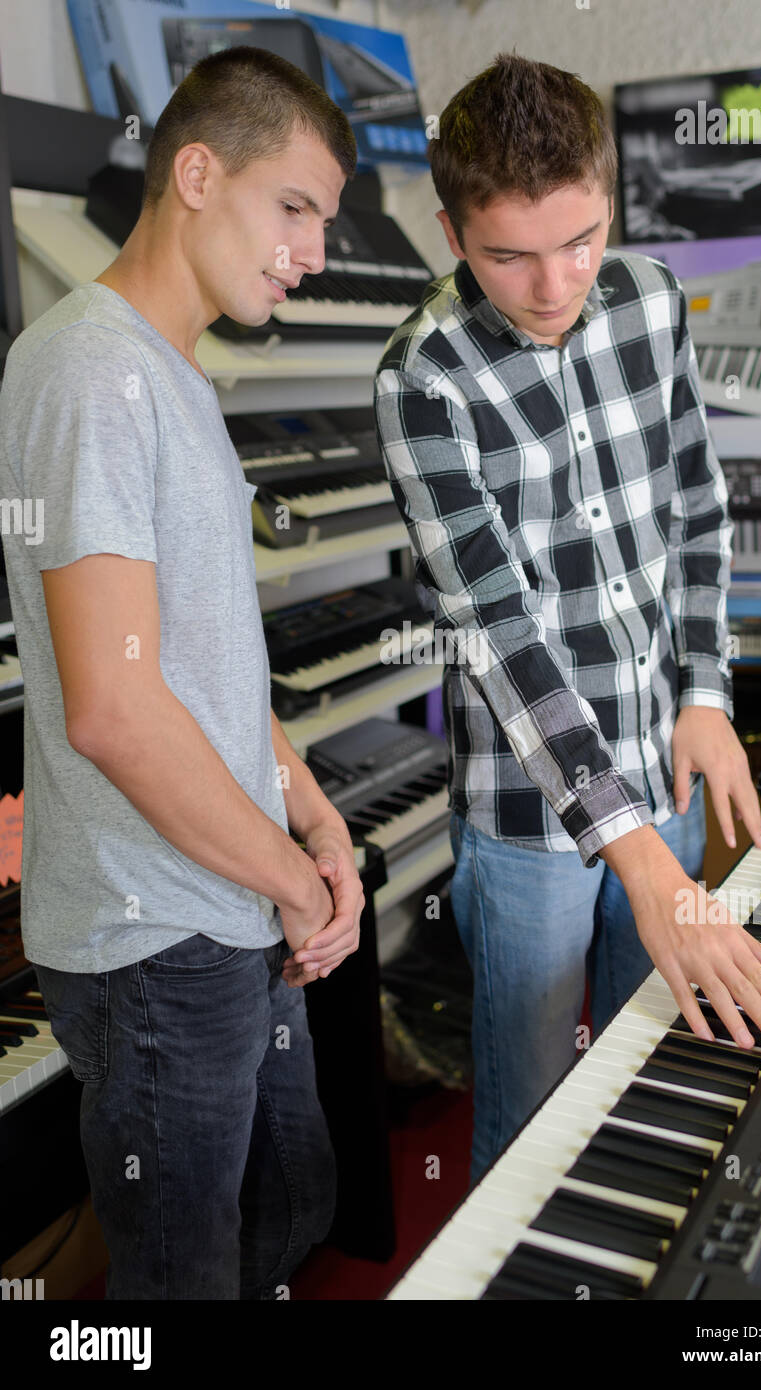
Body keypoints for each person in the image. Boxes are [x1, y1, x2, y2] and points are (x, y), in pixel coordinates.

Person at [373, 52, 761, 1184]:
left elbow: (698, 504)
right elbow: (498, 633)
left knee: (644, 1067)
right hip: (526, 817)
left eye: (581, 239)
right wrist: (643, 857)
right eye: (509, 254)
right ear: (454, 231)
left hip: (660, 752)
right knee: (534, 1117)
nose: (556, 284)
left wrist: (704, 693)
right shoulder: (423, 380)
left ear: (613, 202)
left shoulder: (650, 300)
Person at [0, 47, 365, 1299]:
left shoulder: (174, 371)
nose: (313, 252)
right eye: (296, 209)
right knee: (182, 1279)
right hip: (154, 935)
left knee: (286, 1209)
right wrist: (293, 883)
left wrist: (310, 817)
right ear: (197, 173)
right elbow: (115, 709)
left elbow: (203, 665)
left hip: (230, 900)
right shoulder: (88, 371)